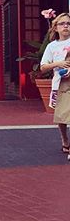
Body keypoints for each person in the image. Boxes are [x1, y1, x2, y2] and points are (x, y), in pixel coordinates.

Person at [40, 13, 70, 152]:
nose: (65, 26)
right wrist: (58, 63)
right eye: (62, 23)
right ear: (56, 28)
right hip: (60, 83)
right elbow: (43, 66)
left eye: (68, 24)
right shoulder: (52, 47)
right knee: (61, 115)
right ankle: (65, 140)